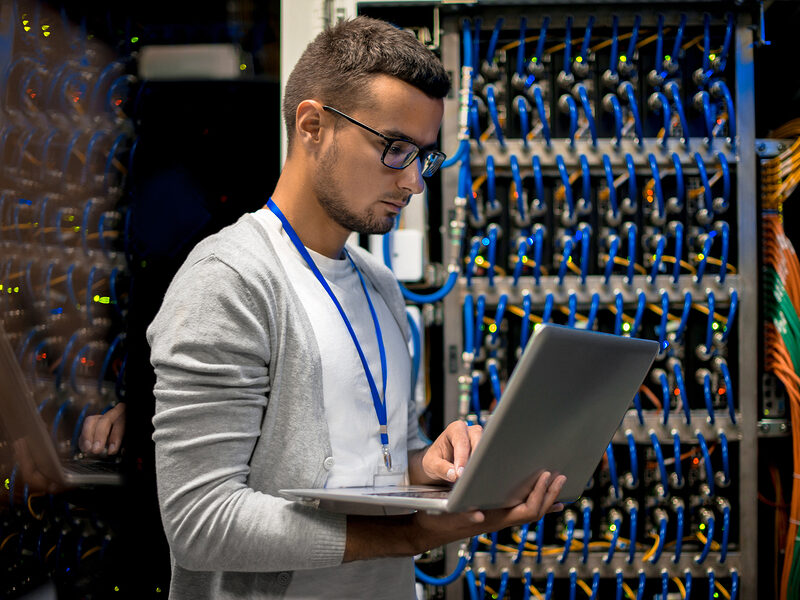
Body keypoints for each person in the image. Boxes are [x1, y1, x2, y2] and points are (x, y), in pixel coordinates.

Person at [147, 16, 566, 599]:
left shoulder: (379, 284)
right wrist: (408, 536)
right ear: (313, 125)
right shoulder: (229, 281)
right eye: (395, 149)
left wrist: (430, 465)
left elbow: (377, 460)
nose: (415, 182)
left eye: (423, 156)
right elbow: (201, 523)